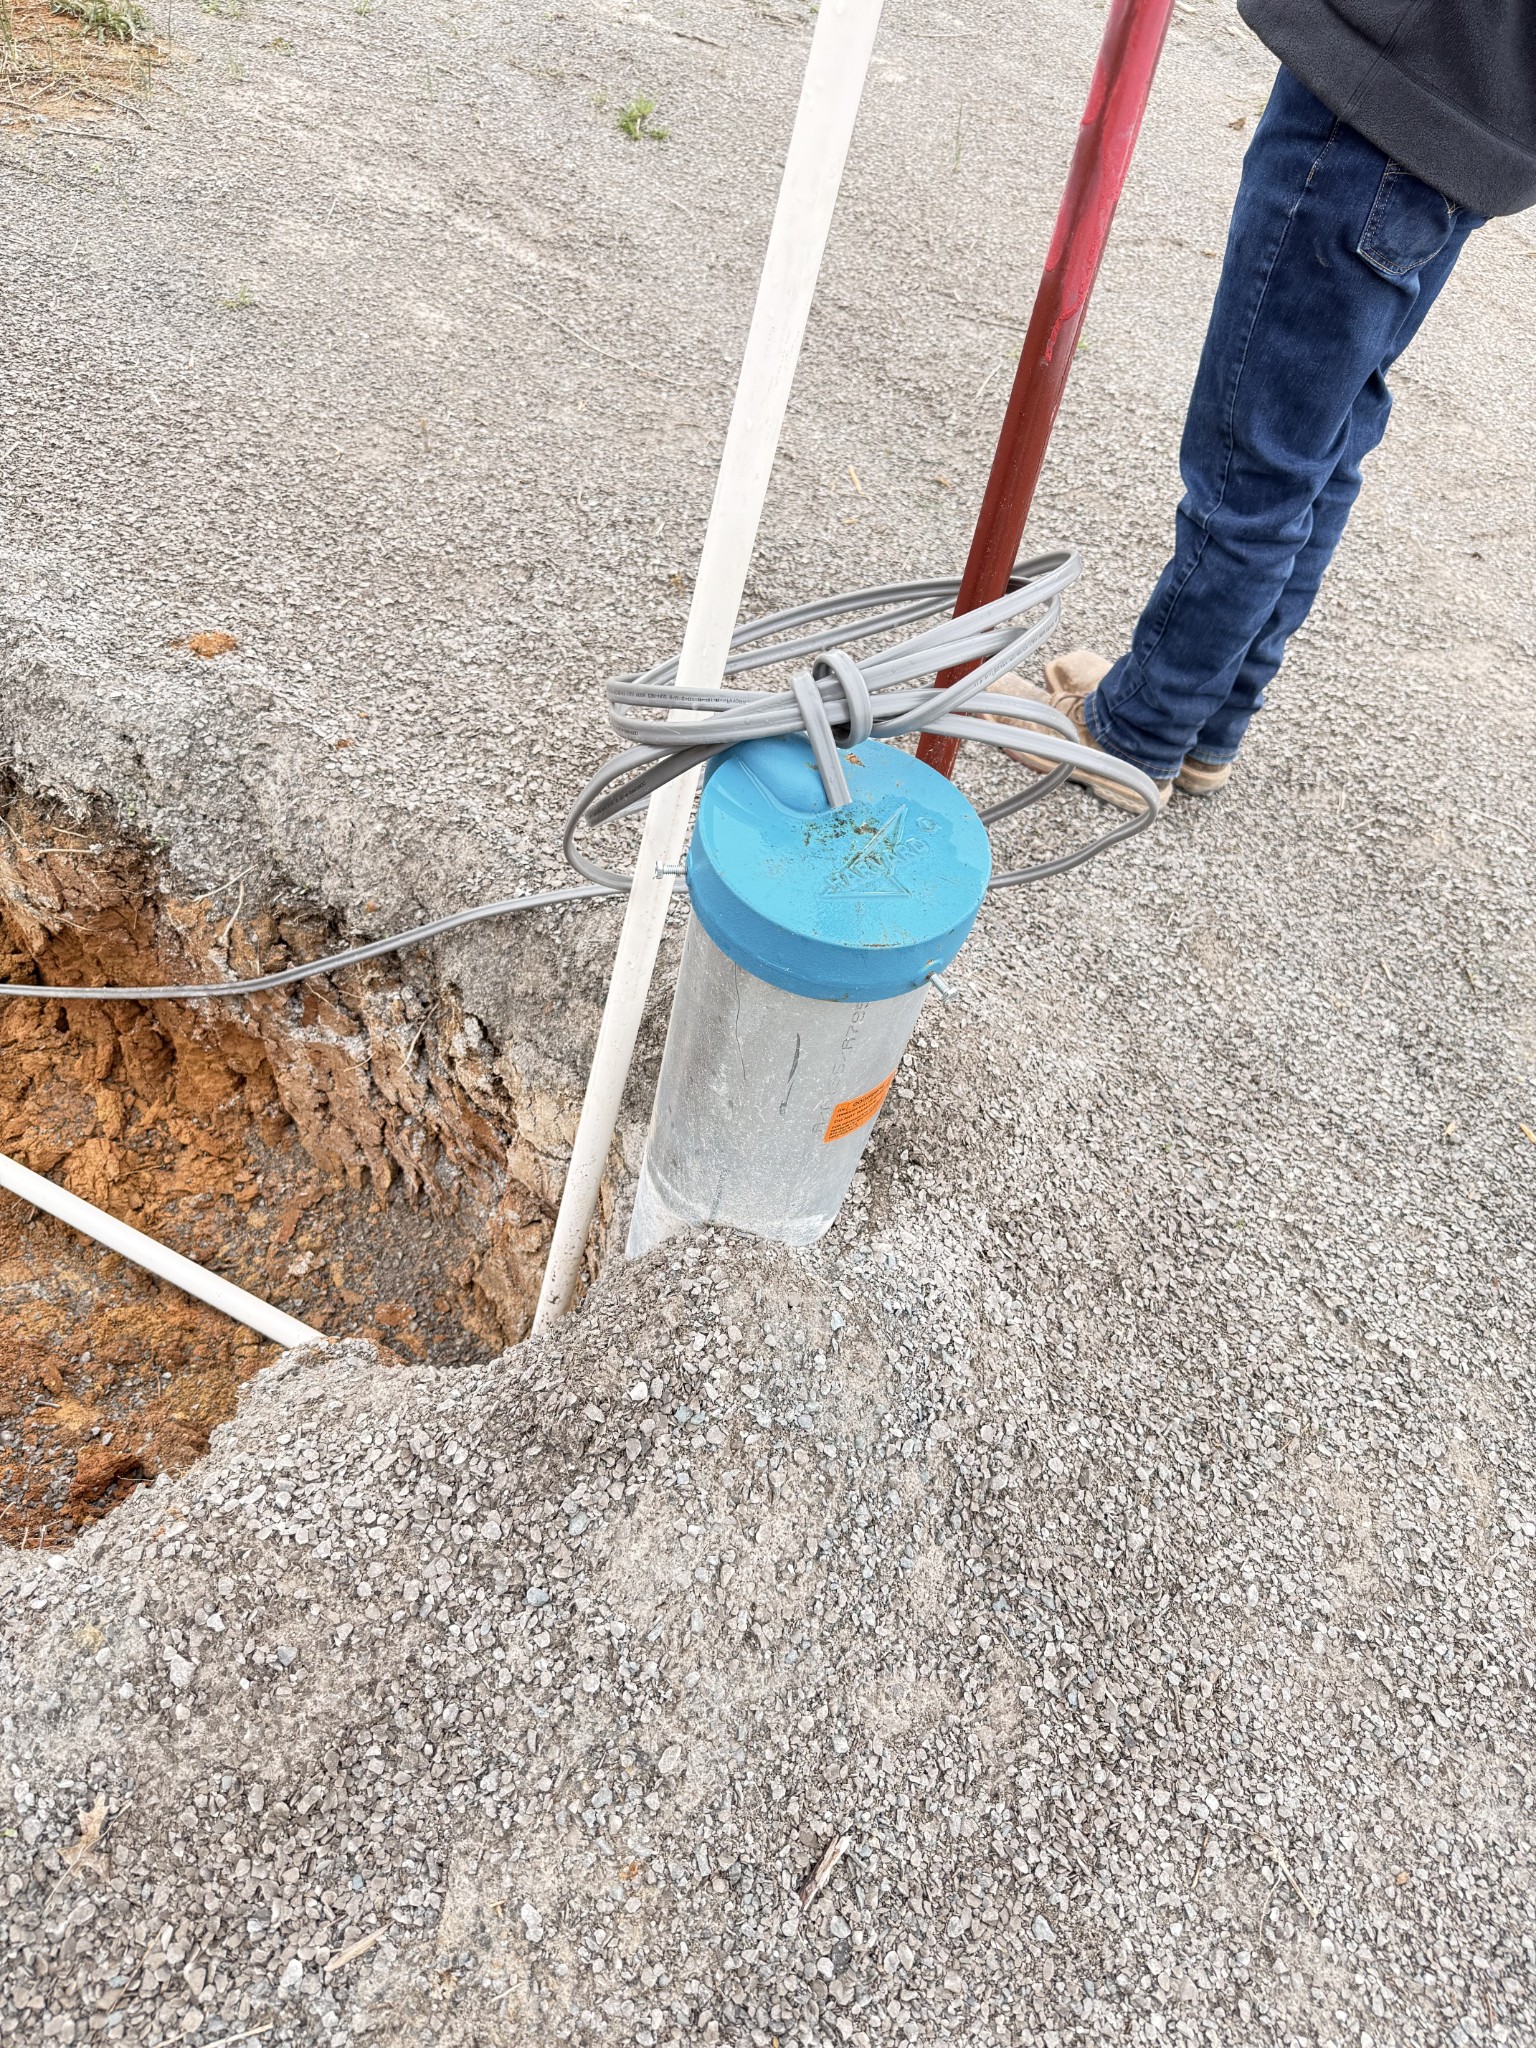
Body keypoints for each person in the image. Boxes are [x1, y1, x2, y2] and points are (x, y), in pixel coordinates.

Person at [1003, 1, 1536, 811]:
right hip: (1473, 114)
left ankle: (1135, 734)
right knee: (1320, 446)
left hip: (1383, 89)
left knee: (1258, 459)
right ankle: (1202, 719)